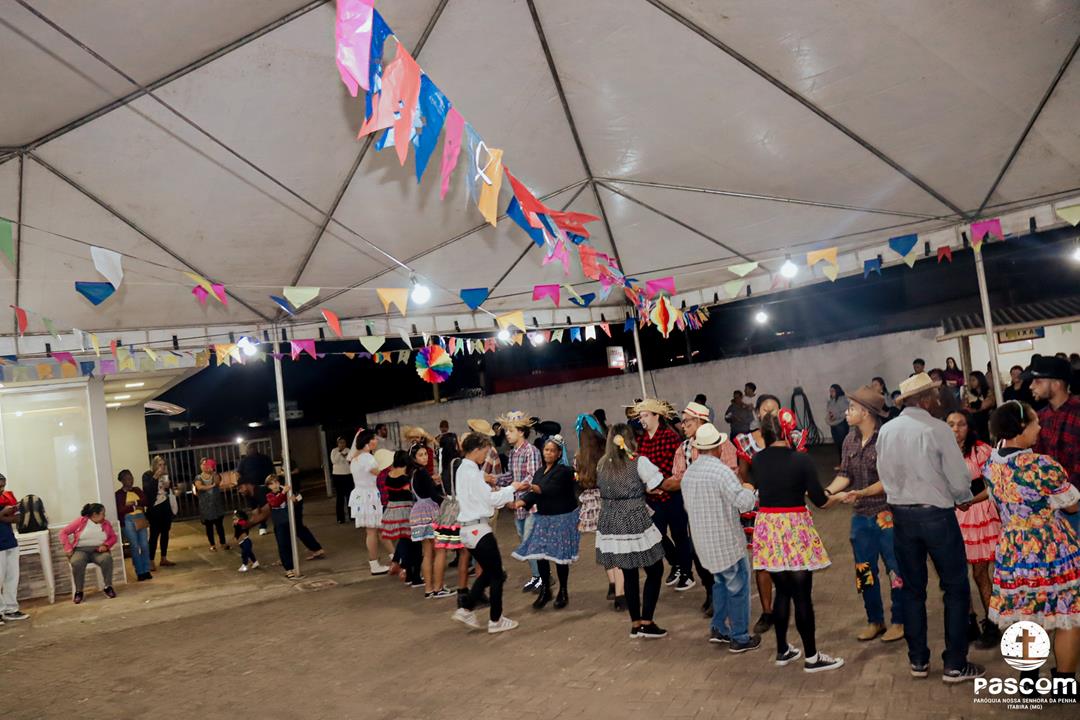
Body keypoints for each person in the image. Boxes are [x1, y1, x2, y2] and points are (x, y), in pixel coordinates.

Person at [876, 372, 983, 683]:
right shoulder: (937, 429)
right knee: (955, 587)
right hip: (937, 516)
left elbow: (883, 472)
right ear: (924, 400)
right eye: (933, 395)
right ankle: (955, 664)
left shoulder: (887, 430)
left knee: (912, 590)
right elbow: (958, 478)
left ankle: (918, 660)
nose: (938, 399)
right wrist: (963, 498)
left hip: (902, 517)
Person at [985, 401, 1080, 687]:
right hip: (1049, 548)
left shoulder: (991, 463)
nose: (1039, 427)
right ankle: (1063, 687)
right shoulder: (1041, 465)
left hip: (1013, 549)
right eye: (1035, 422)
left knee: (1026, 615)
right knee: (1068, 615)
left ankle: (1029, 682)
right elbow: (1072, 505)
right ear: (1021, 427)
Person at [751, 411, 843, 673]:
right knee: (802, 595)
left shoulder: (757, 460)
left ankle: (782, 649)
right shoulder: (801, 460)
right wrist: (839, 497)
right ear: (787, 431)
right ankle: (812, 657)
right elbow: (820, 500)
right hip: (793, 528)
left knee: (782, 591)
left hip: (768, 528)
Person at [823, 386, 904, 644]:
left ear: (866, 413)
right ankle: (875, 620)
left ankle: (900, 620)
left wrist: (860, 493)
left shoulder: (885, 439)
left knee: (895, 569)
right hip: (860, 517)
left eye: (852, 408)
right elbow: (845, 474)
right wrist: (828, 492)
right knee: (864, 569)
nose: (847, 412)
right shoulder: (849, 439)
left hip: (886, 514)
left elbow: (889, 479)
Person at [682, 423, 760, 653]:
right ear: (717, 447)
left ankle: (719, 627)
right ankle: (740, 637)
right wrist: (749, 489)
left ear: (698, 448)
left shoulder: (689, 474)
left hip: (704, 544)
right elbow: (743, 503)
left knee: (720, 584)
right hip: (726, 544)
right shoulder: (722, 472)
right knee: (738, 588)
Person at [450, 432, 530, 634]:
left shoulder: (463, 469)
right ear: (476, 449)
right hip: (478, 529)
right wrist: (512, 488)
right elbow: (490, 500)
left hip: (469, 529)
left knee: (490, 572)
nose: (485, 457)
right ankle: (495, 619)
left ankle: (467, 608)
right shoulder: (472, 472)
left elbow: (482, 497)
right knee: (497, 575)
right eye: (484, 452)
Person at [595, 423, 668, 639]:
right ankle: (647, 621)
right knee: (655, 569)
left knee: (629, 572)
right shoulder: (637, 461)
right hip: (633, 519)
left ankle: (636, 624)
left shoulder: (602, 463)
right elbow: (656, 482)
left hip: (610, 521)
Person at [670, 401, 737, 616]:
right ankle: (711, 591)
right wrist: (661, 484)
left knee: (721, 555)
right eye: (682, 422)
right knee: (698, 554)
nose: (682, 426)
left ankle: (722, 598)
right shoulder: (684, 448)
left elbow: (731, 474)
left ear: (700, 422)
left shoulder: (722, 445)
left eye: (687, 422)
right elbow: (678, 476)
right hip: (696, 513)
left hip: (719, 511)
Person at [944, 410, 1000, 649]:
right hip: (952, 515)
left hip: (979, 514)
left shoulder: (981, 450)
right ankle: (969, 623)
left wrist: (970, 501)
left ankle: (993, 624)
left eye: (961, 424)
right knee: (957, 575)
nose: (955, 429)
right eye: (950, 424)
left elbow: (994, 484)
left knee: (980, 574)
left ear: (969, 427)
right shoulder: (939, 451)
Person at [632, 398, 696, 592]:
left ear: (656, 416)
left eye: (645, 415)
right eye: (640, 416)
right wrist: (646, 487)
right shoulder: (642, 440)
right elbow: (639, 469)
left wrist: (661, 484)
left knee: (679, 535)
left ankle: (687, 573)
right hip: (652, 499)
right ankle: (675, 562)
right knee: (656, 535)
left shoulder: (670, 437)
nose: (642, 420)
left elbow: (676, 468)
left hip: (673, 496)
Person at [511, 436, 580, 609]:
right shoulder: (539, 472)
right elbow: (535, 494)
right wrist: (519, 503)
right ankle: (545, 590)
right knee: (539, 554)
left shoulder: (564, 471)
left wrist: (529, 487)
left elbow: (549, 490)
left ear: (559, 454)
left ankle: (563, 591)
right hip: (543, 517)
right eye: (546, 450)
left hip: (561, 518)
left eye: (552, 451)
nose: (548, 453)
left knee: (560, 557)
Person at [735, 394, 781, 635]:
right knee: (762, 562)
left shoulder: (789, 439)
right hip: (759, 507)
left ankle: (784, 605)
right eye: (765, 409)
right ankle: (767, 611)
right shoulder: (747, 441)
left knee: (784, 559)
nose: (769, 413)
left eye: (774, 409)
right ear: (757, 413)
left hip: (784, 506)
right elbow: (743, 473)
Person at [1028, 354, 1080, 536]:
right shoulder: (1040, 418)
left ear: (1057, 384)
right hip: (1053, 507)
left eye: (1038, 381)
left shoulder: (1077, 413)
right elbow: (1038, 461)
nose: (1031, 386)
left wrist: (1069, 497)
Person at [239, 474, 324, 579]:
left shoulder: (273, 492)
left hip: (289, 515)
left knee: (294, 534)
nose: (275, 485)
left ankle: (307, 554)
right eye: (272, 483)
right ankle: (289, 566)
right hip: (280, 520)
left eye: (276, 482)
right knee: (284, 542)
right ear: (268, 486)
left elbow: (291, 502)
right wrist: (246, 525)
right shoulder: (263, 495)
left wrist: (293, 500)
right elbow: (268, 507)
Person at [494, 411, 543, 592]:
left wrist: (511, 489)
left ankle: (541, 578)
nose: (507, 434)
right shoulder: (513, 452)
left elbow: (532, 478)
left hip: (531, 505)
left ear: (521, 431)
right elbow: (511, 476)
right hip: (518, 505)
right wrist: (495, 480)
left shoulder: (531, 451)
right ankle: (538, 576)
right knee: (525, 541)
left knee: (530, 541)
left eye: (510, 430)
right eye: (506, 430)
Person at [349, 429, 391, 575]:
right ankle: (375, 564)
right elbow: (380, 475)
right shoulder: (368, 458)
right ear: (368, 441)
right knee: (374, 531)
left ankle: (393, 558)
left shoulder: (355, 458)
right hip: (371, 495)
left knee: (377, 530)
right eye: (374, 438)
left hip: (361, 495)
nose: (376, 441)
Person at [58, 503, 118, 604]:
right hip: (81, 550)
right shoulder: (81, 521)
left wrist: (106, 545)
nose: (104, 516)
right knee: (76, 562)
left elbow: (113, 537)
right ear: (95, 514)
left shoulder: (106, 523)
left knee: (107, 559)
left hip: (98, 551)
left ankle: (108, 587)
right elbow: (63, 532)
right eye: (103, 514)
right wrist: (68, 548)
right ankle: (79, 591)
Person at [409, 444, 448, 598]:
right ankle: (438, 588)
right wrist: (448, 503)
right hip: (430, 511)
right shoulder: (423, 472)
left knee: (427, 553)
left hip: (418, 511)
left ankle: (428, 589)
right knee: (439, 550)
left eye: (425, 454)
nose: (425, 457)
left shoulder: (413, 473)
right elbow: (433, 495)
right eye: (420, 455)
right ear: (414, 458)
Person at [382, 450, 419, 586]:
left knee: (403, 539)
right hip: (405, 510)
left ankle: (397, 564)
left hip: (392, 509)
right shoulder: (404, 478)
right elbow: (412, 491)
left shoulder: (389, 475)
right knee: (408, 541)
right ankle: (405, 569)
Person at [115, 469, 152, 581]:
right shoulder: (118, 494)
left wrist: (133, 504)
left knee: (144, 545)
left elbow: (146, 502)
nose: (130, 480)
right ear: (122, 481)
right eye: (127, 478)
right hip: (128, 520)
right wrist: (136, 506)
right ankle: (140, 572)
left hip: (140, 518)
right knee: (134, 546)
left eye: (131, 477)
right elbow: (121, 510)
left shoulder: (137, 490)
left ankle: (147, 570)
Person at [0, 473, 26, 623]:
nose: (2, 489)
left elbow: (18, 518)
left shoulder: (7, 497)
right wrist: (4, 514)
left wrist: (4, 515)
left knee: (12, 578)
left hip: (9, 541)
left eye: (3, 486)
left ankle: (11, 609)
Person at [142, 456, 176, 569]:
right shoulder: (147, 475)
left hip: (165, 506)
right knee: (154, 535)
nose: (162, 467)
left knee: (165, 532)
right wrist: (155, 476)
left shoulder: (165, 475)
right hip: (154, 508)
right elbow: (147, 490)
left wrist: (169, 486)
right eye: (159, 464)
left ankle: (163, 558)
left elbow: (168, 490)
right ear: (154, 465)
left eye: (163, 464)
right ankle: (151, 560)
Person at [237, 443, 274, 538]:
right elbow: (239, 474)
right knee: (256, 508)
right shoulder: (245, 461)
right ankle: (262, 526)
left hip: (261, 486)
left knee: (264, 507)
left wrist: (249, 524)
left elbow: (271, 471)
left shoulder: (263, 458)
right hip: (252, 488)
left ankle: (263, 526)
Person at [193, 458, 228, 552]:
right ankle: (212, 544)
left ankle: (223, 543)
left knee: (219, 525)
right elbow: (199, 487)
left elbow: (217, 482)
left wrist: (213, 472)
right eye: (203, 464)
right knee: (209, 526)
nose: (205, 466)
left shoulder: (214, 475)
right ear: (200, 466)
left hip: (216, 504)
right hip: (206, 505)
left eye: (207, 464)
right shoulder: (198, 477)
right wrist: (211, 486)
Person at [964, 370, 996, 443]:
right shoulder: (969, 393)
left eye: (973, 380)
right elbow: (965, 407)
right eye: (970, 380)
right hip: (975, 423)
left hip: (986, 423)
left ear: (980, 380)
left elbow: (985, 405)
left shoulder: (988, 392)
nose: (971, 382)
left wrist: (973, 409)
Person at [330, 436, 353, 524]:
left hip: (348, 475)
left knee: (349, 496)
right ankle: (340, 518)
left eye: (343, 442)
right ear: (337, 443)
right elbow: (334, 461)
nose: (342, 444)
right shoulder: (334, 451)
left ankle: (352, 516)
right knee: (340, 497)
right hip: (338, 476)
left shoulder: (349, 450)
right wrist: (340, 453)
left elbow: (350, 460)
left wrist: (346, 456)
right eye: (340, 442)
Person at [826, 385, 850, 460]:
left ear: (837, 391)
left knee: (843, 444)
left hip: (841, 425)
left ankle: (845, 461)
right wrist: (830, 417)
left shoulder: (843, 400)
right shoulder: (831, 401)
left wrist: (836, 416)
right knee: (838, 444)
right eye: (830, 391)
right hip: (833, 425)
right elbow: (829, 411)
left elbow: (846, 412)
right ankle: (842, 461)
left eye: (833, 391)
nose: (831, 393)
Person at [436, 420, 460, 484]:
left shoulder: (452, 435)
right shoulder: (453, 435)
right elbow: (459, 448)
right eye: (443, 427)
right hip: (450, 460)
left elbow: (437, 451)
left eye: (445, 427)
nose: (444, 429)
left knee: (448, 479)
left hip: (448, 460)